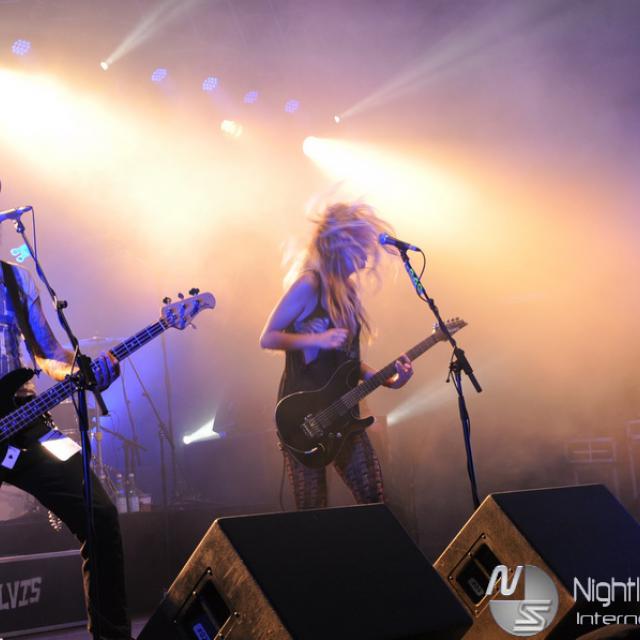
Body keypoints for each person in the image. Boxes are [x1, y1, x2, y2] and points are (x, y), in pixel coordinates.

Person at [0, 260, 130, 640]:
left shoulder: (14, 277)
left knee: (98, 512)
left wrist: (82, 373)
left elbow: (49, 353)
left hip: (26, 416)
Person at [260, 202, 413, 509]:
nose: (366, 258)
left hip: (343, 413)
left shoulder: (347, 293)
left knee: (374, 499)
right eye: (360, 249)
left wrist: (390, 380)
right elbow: (268, 337)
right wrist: (317, 338)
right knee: (312, 509)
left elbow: (348, 362)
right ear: (340, 246)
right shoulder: (309, 284)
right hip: (302, 417)